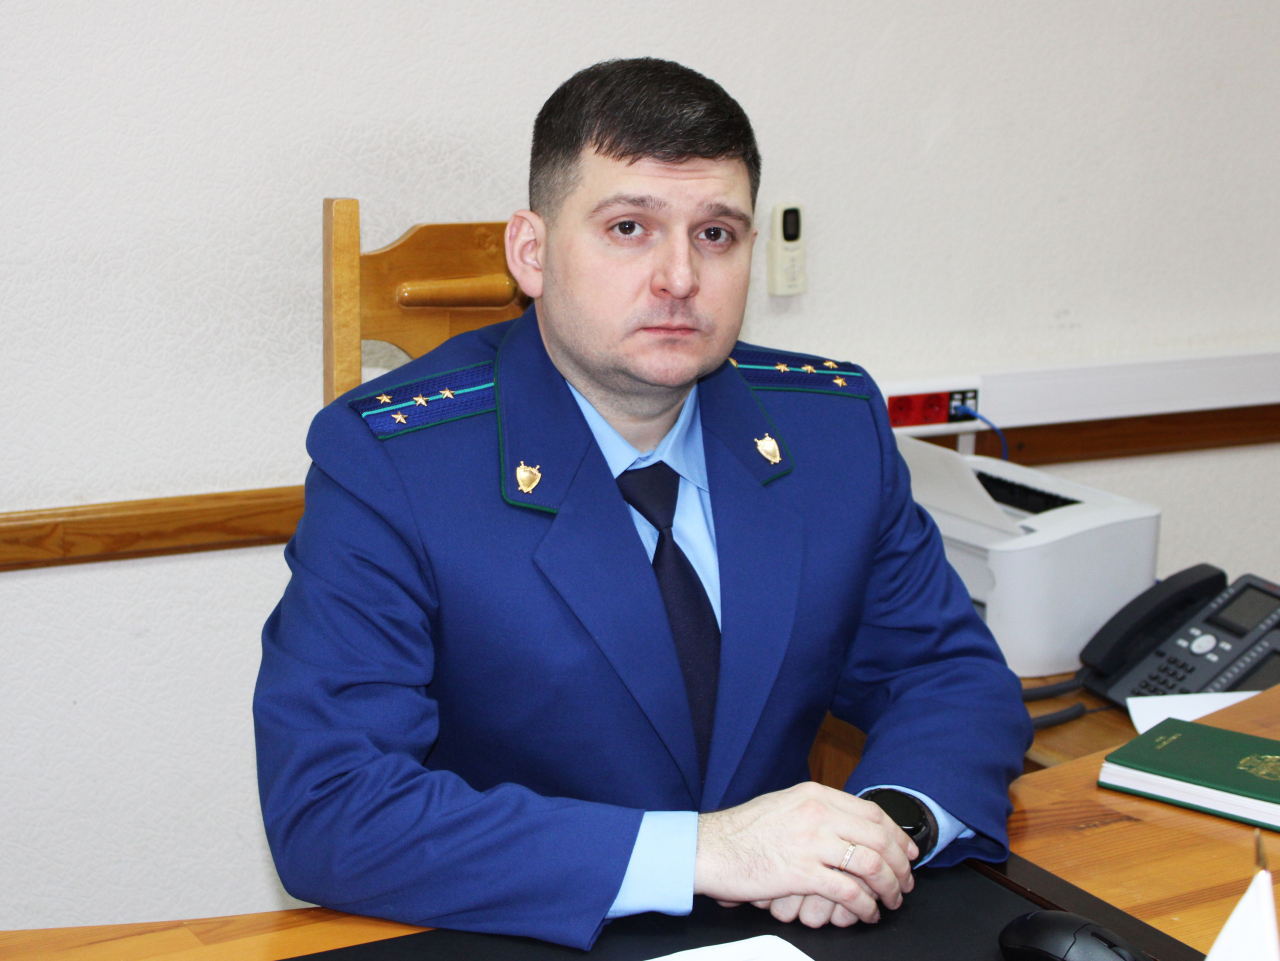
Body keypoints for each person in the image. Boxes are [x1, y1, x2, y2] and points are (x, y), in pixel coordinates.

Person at [254, 57, 1031, 951]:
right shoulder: (393, 461)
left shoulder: (829, 427)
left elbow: (949, 676)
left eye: (716, 234)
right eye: (630, 228)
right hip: (527, 933)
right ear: (531, 252)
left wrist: (883, 830)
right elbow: (331, 804)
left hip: (786, 933)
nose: (679, 277)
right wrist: (706, 852)